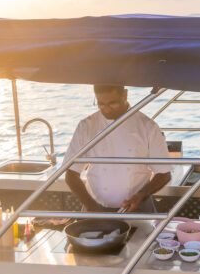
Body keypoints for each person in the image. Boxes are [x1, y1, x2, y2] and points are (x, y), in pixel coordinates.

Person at [64, 85, 171, 213]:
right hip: (94, 205)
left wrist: (141, 195)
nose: (107, 109)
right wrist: (91, 206)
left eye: (112, 103)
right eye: (101, 104)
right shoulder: (86, 126)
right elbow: (71, 175)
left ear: (125, 95)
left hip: (137, 207)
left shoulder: (148, 127)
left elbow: (164, 174)